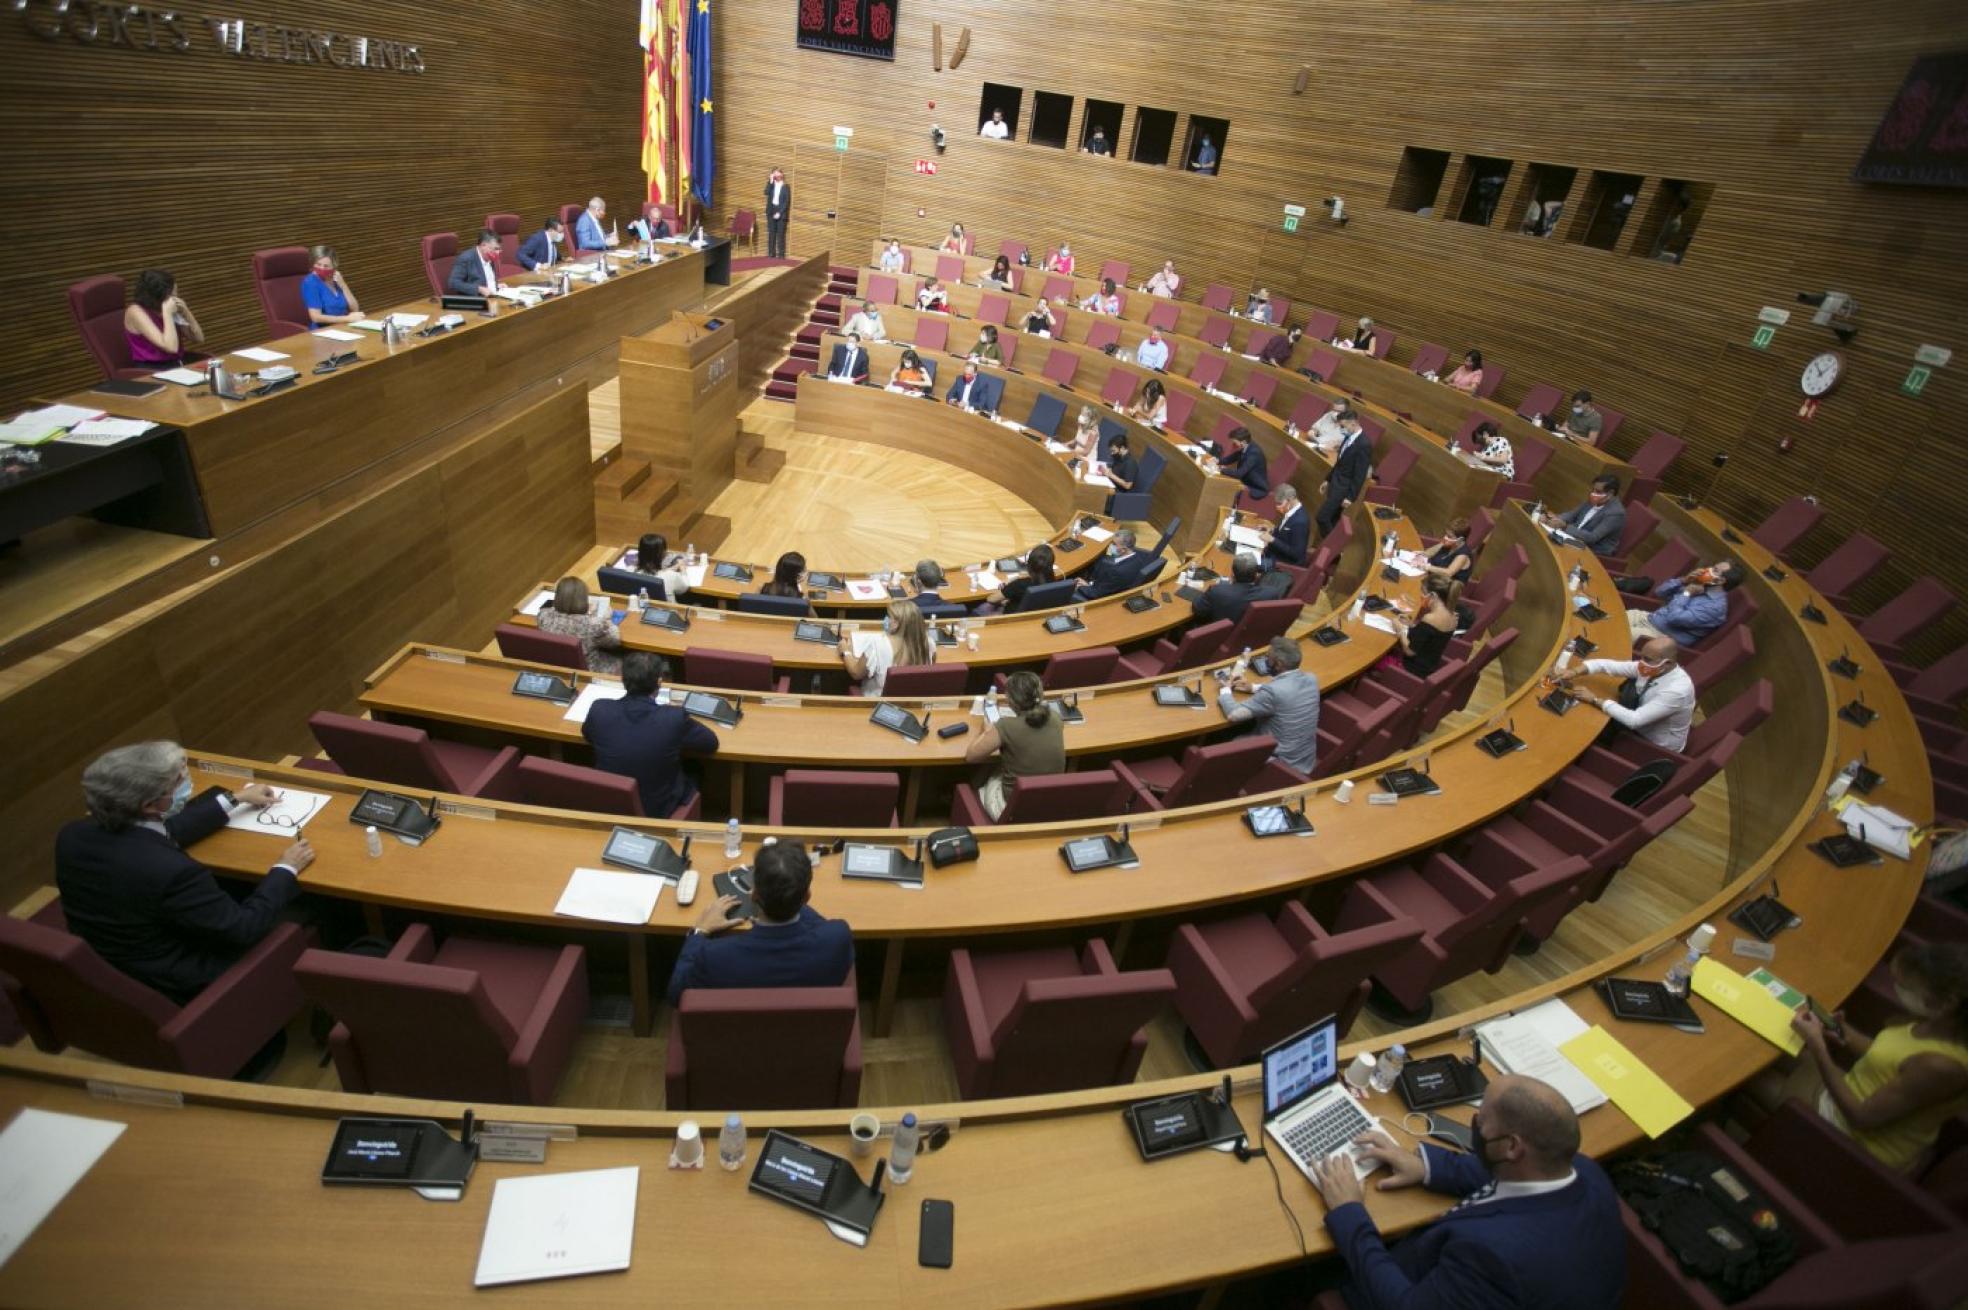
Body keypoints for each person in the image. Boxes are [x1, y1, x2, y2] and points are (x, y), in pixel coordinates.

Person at [1309, 1074, 1625, 1310]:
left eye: (1481, 1120)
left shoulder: (1494, 1256)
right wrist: (1426, 1167)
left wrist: (1350, 1212)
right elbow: (1502, 1174)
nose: (1474, 1124)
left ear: (1512, 1146)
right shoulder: (1584, 1171)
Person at [54, 741, 311, 1004]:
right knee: (315, 904)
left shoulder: (72, 835)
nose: (186, 782)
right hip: (185, 977)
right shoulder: (172, 871)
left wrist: (235, 799)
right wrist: (285, 867)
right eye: (178, 782)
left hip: (113, 960)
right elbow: (241, 928)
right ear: (150, 805)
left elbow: (160, 833)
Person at [1792, 941, 1968, 1173]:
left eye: (1907, 987)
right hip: (1850, 1093)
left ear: (1947, 1003)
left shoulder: (1942, 1066)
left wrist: (1818, 1047)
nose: (1898, 989)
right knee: (1784, 1053)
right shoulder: (1939, 1025)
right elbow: (1886, 1058)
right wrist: (1839, 1030)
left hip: (1851, 1138)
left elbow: (1861, 1117)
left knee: (1756, 1076)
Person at [667, 842, 853, 1004]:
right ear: (807, 897)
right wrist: (791, 900)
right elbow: (820, 927)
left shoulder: (713, 955)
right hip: (809, 1037)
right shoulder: (838, 937)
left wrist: (700, 931)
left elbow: (677, 994)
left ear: (754, 895)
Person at [583, 651, 719, 821]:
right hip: (657, 809)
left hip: (611, 802)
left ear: (623, 679)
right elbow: (710, 743)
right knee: (695, 769)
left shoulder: (599, 709)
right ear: (659, 683)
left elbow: (588, 735)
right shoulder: (673, 717)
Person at [1555, 635, 1697, 752]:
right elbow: (1608, 665)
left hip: (1653, 745)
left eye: (1647, 659)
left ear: (1667, 663)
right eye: (1642, 657)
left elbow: (1634, 720)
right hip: (1641, 719)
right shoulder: (1653, 667)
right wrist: (1573, 672)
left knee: (1583, 729)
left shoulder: (1677, 691)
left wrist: (1594, 699)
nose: (1641, 663)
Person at [967, 671, 1067, 819]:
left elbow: (971, 756)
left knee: (986, 772)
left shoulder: (1005, 726)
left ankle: (969, 799)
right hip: (1047, 802)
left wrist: (985, 731)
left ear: (1011, 701)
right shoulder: (1056, 718)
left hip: (1011, 809)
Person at [1220, 637, 1321, 773]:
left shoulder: (1273, 692)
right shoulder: (1311, 679)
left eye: (1268, 658)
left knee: (1226, 743)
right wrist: (1254, 688)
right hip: (1304, 760)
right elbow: (1287, 690)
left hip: (1279, 764)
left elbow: (1234, 715)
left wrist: (1225, 691)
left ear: (1278, 664)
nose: (1265, 661)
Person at [840, 599, 932, 695]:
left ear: (897, 624)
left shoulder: (878, 645)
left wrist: (845, 651)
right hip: (911, 701)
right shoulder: (928, 643)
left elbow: (856, 673)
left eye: (889, 616)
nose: (885, 619)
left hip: (877, 703)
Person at [537, 575, 623, 673]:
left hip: (557, 666)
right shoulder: (593, 625)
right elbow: (615, 640)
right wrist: (606, 618)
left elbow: (558, 612)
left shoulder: (543, 616)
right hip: (590, 670)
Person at [1629, 566, 1731, 646]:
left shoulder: (1715, 607)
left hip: (1660, 636)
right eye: (1712, 567)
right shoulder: (1699, 584)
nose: (1708, 570)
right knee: (1613, 617)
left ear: (1720, 581)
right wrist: (1684, 580)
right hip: (1649, 618)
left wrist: (1686, 593)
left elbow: (1674, 618)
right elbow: (1660, 592)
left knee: (1617, 633)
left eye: (1715, 570)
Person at [124, 269, 205, 366]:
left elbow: (199, 338)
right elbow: (171, 347)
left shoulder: (168, 307)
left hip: (176, 365)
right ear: (157, 295)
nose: (175, 299)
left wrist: (186, 312)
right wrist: (167, 313)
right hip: (151, 369)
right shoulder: (135, 311)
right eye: (171, 295)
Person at [1387, 575, 1459, 676]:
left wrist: (1401, 630)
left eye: (1423, 593)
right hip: (1428, 667)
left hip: (1411, 670)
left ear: (1433, 596)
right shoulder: (1453, 616)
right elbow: (1430, 638)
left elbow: (1410, 651)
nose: (1421, 596)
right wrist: (1411, 625)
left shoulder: (1431, 618)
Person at [1317, 413, 1372, 535]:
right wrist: (1328, 480)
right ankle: (1329, 551)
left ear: (1353, 424)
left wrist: (1351, 497)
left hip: (1343, 488)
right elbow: (1339, 462)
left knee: (1322, 517)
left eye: (1343, 426)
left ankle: (1334, 551)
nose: (1341, 429)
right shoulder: (1349, 437)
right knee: (1333, 519)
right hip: (1335, 482)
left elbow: (1360, 474)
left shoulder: (1364, 444)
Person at [1552, 474, 1628, 555]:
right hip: (1575, 538)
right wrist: (1554, 519)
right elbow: (1571, 515)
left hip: (1592, 549)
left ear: (1610, 493)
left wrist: (1564, 526)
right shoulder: (1595, 499)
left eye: (1598, 491)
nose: (1593, 494)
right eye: (1593, 490)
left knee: (1555, 548)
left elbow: (1592, 537)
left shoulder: (1616, 513)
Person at [1192, 552, 1264, 625]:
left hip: (1217, 632)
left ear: (1232, 574)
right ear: (1256, 575)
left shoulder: (1217, 591)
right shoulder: (1269, 594)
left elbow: (1198, 609)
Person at [299, 246, 361, 327]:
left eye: (326, 266)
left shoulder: (336, 279)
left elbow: (355, 308)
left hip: (342, 327)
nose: (322, 268)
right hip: (322, 331)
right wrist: (347, 319)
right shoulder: (310, 282)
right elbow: (316, 317)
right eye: (318, 264)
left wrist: (343, 285)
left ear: (334, 266)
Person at [1077, 528, 1142, 600]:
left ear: (1123, 549)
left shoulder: (1116, 572)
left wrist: (1080, 586)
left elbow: (1095, 594)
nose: (1110, 546)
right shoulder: (1139, 558)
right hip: (1111, 585)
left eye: (1114, 544)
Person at [991, 543, 1057, 614]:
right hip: (1036, 614)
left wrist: (1008, 585)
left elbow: (991, 599)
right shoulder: (1053, 581)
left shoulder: (1020, 584)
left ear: (1029, 563)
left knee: (982, 607)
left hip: (1011, 618)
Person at [626, 532, 691, 602]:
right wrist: (683, 569)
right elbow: (684, 587)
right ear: (662, 555)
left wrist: (670, 569)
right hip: (667, 611)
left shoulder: (629, 571)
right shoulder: (671, 576)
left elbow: (652, 573)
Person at [1258, 484, 1309, 570]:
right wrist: (1272, 530)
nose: (1277, 507)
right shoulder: (1292, 511)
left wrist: (1272, 540)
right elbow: (1287, 533)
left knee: (1247, 563)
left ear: (1289, 501)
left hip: (1283, 564)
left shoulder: (1300, 523)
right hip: (1275, 554)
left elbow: (1296, 554)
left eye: (1279, 504)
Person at [1216, 426, 1270, 499]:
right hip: (1245, 481)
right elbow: (1231, 458)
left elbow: (1239, 474)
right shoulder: (1246, 446)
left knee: (1225, 490)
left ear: (1243, 442)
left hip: (1255, 488)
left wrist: (1221, 470)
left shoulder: (1254, 453)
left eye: (1235, 443)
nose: (1233, 445)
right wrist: (1217, 461)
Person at [448, 229, 503, 297]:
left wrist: (496, 286)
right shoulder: (466, 258)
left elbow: (485, 278)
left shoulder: (489, 257)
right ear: (483, 245)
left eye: (499, 249)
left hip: (492, 296)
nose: (498, 252)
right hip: (476, 302)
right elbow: (453, 283)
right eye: (495, 249)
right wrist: (478, 289)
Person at [1422, 517, 1475, 585]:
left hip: (1444, 588)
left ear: (1460, 539)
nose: (1445, 537)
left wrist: (1426, 567)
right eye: (1446, 534)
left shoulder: (1463, 556)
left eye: (1450, 536)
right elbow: (1428, 552)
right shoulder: (1449, 543)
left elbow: (1448, 573)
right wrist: (1420, 555)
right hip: (1432, 578)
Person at [1100, 432, 1139, 509]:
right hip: (1110, 484)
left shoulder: (1130, 463)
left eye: (1113, 451)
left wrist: (1111, 475)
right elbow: (1111, 464)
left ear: (1122, 448)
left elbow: (1128, 485)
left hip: (1118, 494)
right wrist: (1107, 470)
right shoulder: (1118, 456)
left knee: (1094, 493)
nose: (1112, 453)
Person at [763, 167, 791, 259]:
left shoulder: (786, 186)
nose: (776, 175)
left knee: (780, 234)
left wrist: (780, 212)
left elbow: (786, 202)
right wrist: (770, 181)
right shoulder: (771, 184)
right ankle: (771, 253)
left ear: (781, 175)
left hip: (781, 212)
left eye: (778, 173)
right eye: (774, 174)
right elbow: (766, 192)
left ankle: (781, 255)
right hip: (771, 211)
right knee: (771, 233)